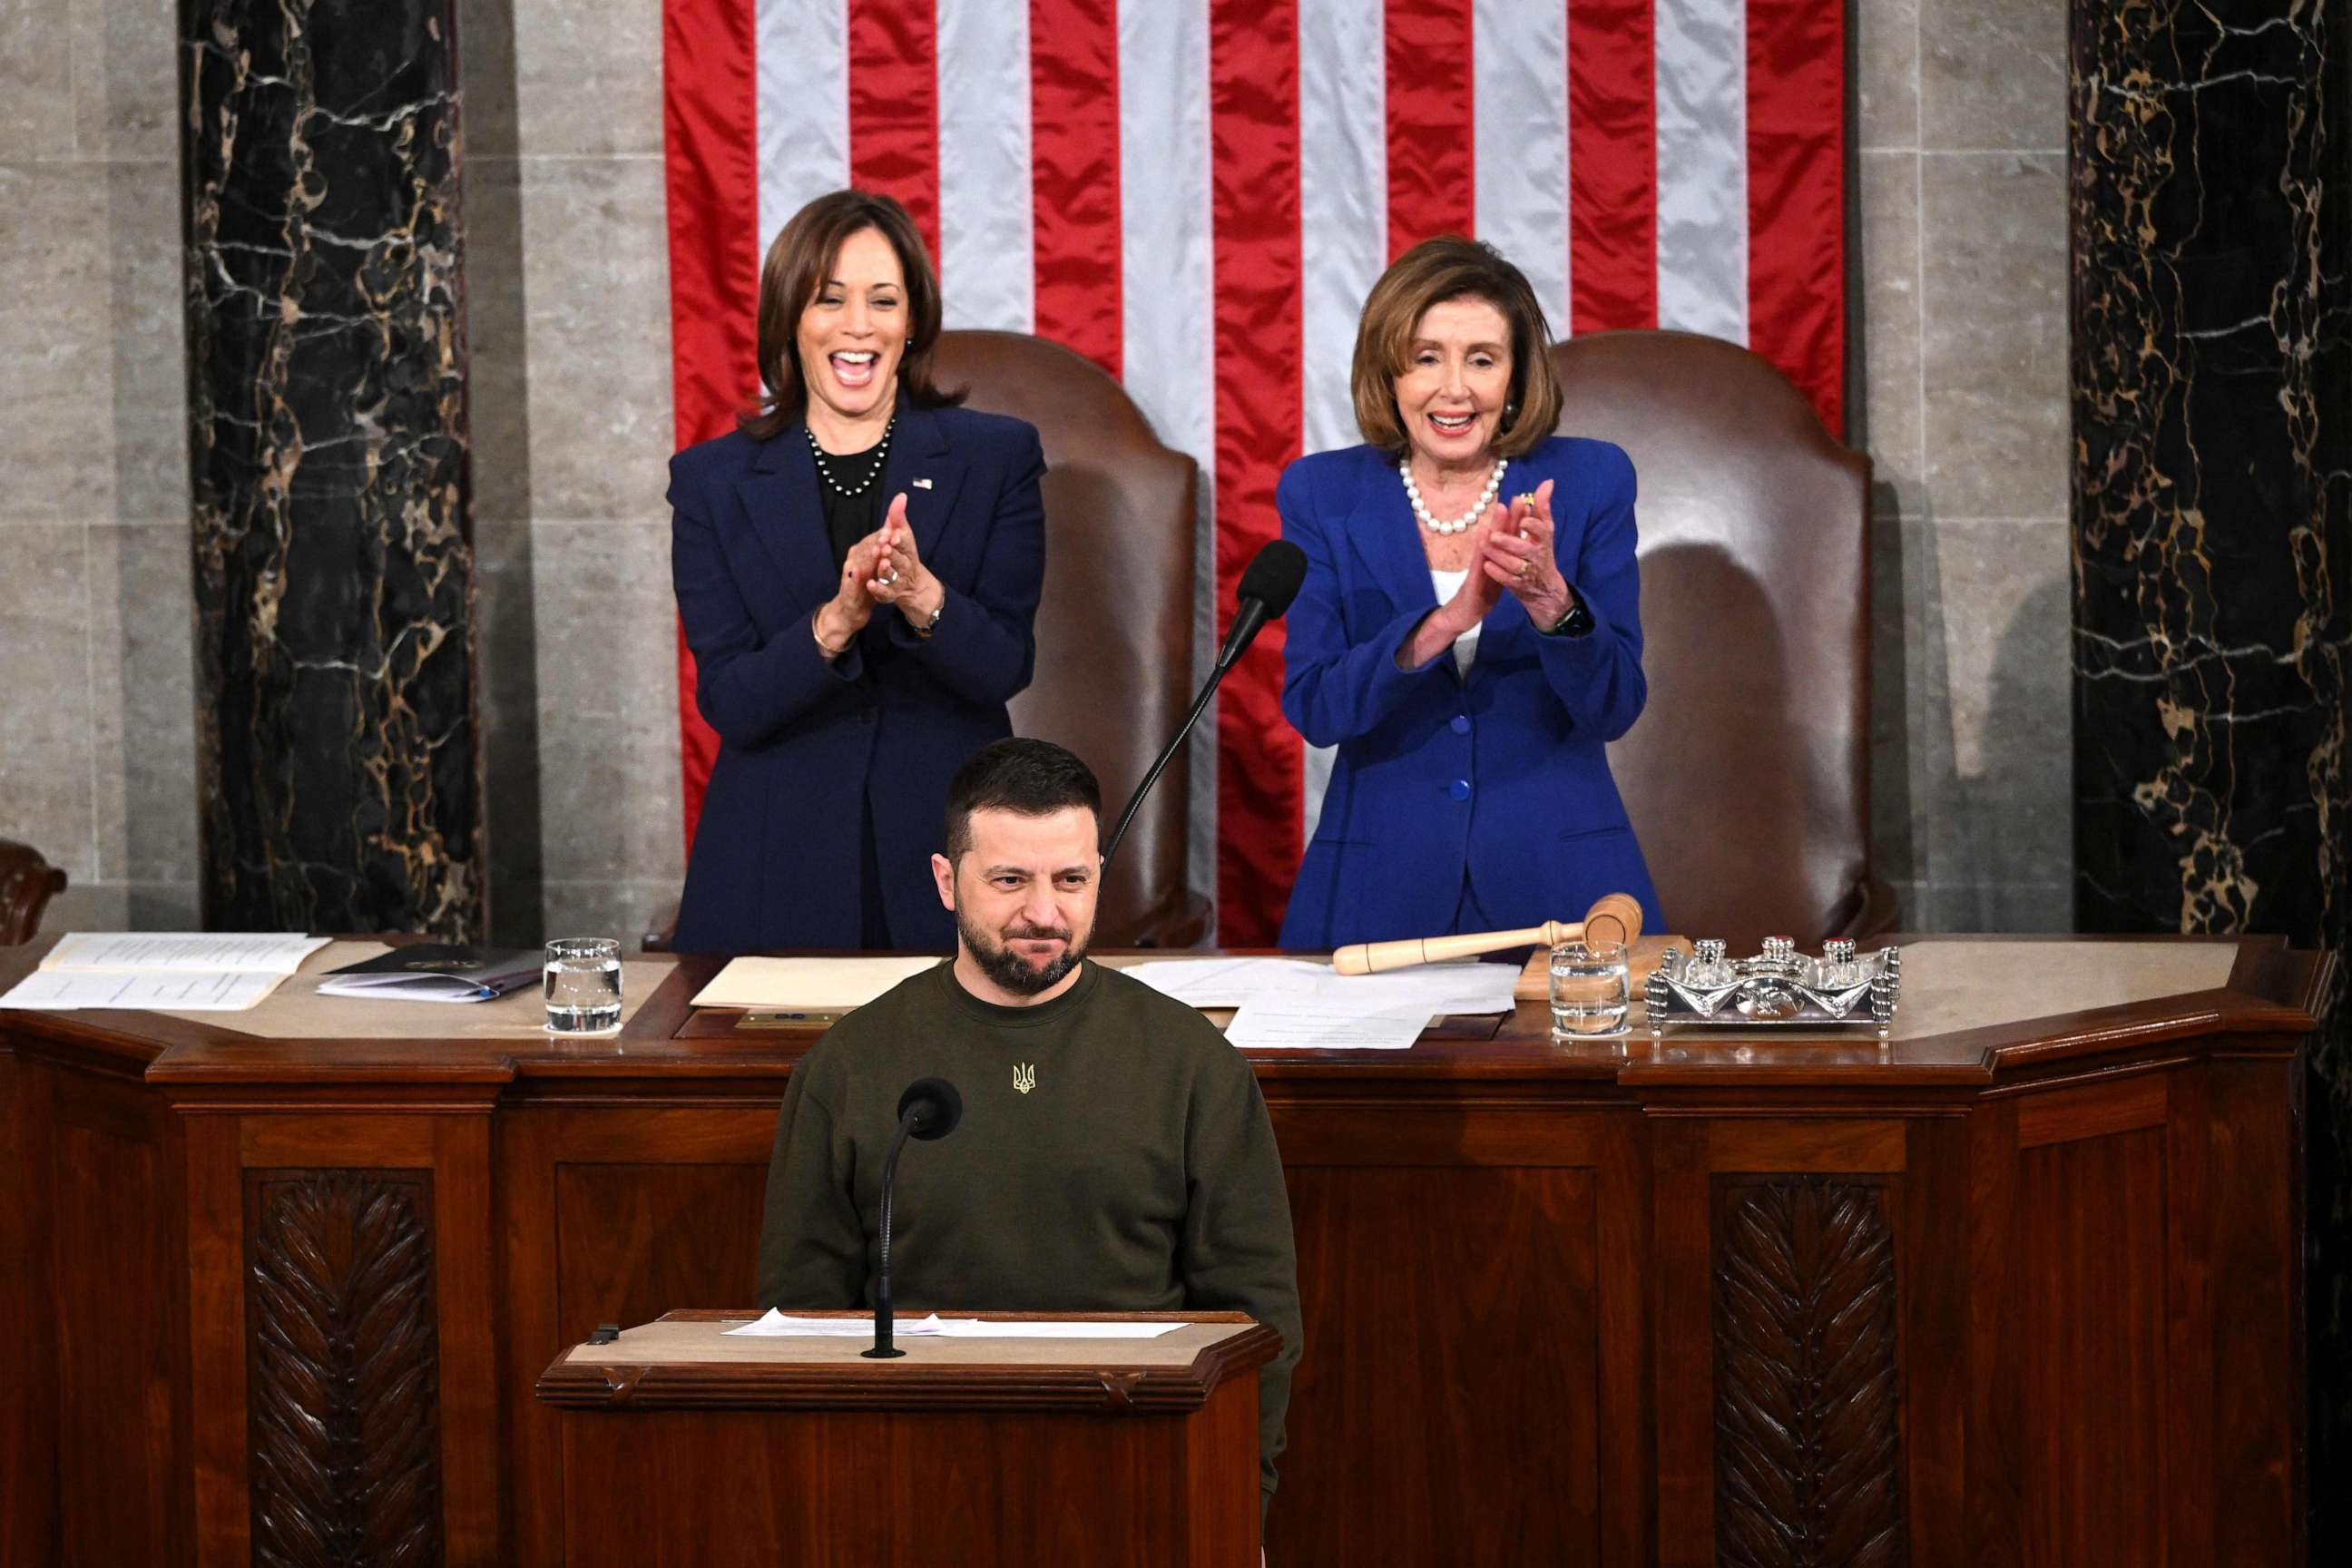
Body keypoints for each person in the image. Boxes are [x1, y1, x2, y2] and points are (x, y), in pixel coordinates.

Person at [757, 738, 1303, 1524]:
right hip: (911, 1477)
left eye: (1071, 880)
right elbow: (798, 1326)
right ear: (948, 882)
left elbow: (1260, 1324)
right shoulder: (849, 1066)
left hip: (1143, 1468)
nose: (1043, 913)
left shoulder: (1192, 1063)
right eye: (1009, 880)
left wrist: (1233, 1500)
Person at [668, 189, 1047, 952]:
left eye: (883, 300)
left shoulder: (994, 457)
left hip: (947, 850)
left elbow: (1005, 663)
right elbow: (732, 702)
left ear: (912, 323)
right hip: (775, 863)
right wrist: (834, 622)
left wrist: (922, 596)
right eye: (830, 299)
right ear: (791, 322)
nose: (858, 325)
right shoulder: (712, 482)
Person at [1277, 236, 1666, 948]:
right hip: (1377, 893)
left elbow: (1615, 706)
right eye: (1426, 357)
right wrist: (1446, 622)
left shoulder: (1589, 482)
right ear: (1387, 373)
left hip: (1563, 889)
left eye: (1482, 359)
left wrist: (1552, 601)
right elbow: (1316, 707)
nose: (1454, 388)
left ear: (1515, 377)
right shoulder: (1323, 492)